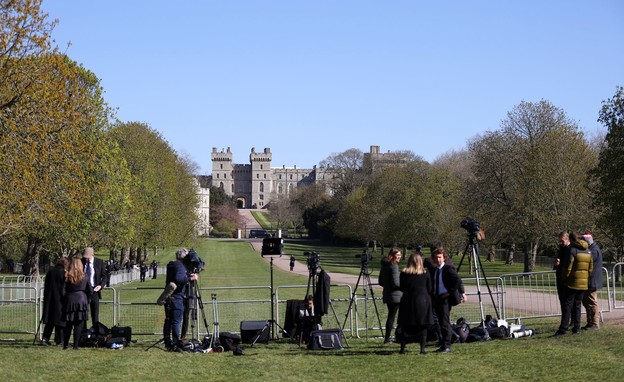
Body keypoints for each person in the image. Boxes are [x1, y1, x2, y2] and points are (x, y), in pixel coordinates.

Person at [554, 232, 593, 336]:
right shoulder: (588, 251)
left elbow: (568, 268)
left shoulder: (573, 251)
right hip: (583, 284)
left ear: (570, 239)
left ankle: (563, 328)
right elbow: (590, 269)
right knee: (577, 305)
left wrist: (564, 278)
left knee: (567, 306)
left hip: (572, 283)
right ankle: (577, 327)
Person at [397, 252, 433, 354]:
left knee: (405, 325)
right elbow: (430, 288)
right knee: (423, 325)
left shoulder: (404, 273)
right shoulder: (425, 273)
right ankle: (422, 349)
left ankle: (402, 348)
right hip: (422, 301)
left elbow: (402, 287)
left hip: (407, 301)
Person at [162, 248, 198, 351]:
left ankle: (168, 343)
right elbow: (178, 279)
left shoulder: (171, 265)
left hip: (168, 297)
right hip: (177, 297)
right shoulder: (180, 266)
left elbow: (176, 277)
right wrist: (191, 278)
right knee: (176, 321)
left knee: (168, 320)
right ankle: (176, 343)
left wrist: (186, 275)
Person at [431, 245, 464, 353]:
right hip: (437, 298)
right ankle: (443, 344)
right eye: (436, 257)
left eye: (440, 257)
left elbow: (457, 280)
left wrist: (449, 292)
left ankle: (447, 346)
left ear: (444, 258)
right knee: (440, 323)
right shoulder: (435, 270)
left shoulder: (448, 268)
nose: (438, 259)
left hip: (445, 299)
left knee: (444, 322)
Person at [63, 257, 92, 349]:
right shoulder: (85, 276)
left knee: (68, 323)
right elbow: (90, 290)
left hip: (70, 300)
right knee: (78, 324)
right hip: (81, 300)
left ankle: (65, 344)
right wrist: (88, 299)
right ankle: (75, 345)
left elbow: (63, 290)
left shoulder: (67, 276)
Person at [41, 257, 68, 346]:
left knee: (50, 321)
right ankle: (59, 340)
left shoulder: (50, 272)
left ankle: (45, 338)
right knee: (60, 321)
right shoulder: (63, 274)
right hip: (60, 299)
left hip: (49, 299)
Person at [378, 247, 402, 344]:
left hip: (388, 294)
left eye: (400, 255)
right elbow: (396, 283)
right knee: (395, 317)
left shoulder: (384, 266)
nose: (399, 257)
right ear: (392, 256)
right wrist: (405, 285)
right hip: (396, 296)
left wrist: (387, 286)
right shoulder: (394, 266)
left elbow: (380, 281)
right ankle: (392, 337)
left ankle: (388, 337)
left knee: (391, 316)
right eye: (397, 256)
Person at [582, 231, 603, 330]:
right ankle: (590, 322)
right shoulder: (592, 249)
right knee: (587, 302)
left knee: (592, 302)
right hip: (589, 280)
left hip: (592, 280)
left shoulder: (593, 251)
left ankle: (595, 323)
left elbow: (587, 262)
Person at [82, 247, 107, 327]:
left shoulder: (99, 262)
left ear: (92, 255)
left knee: (95, 313)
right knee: (83, 313)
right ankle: (84, 333)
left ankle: (95, 332)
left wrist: (100, 285)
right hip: (83, 291)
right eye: (85, 257)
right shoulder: (81, 262)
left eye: (88, 257)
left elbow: (105, 276)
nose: (87, 259)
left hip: (95, 290)